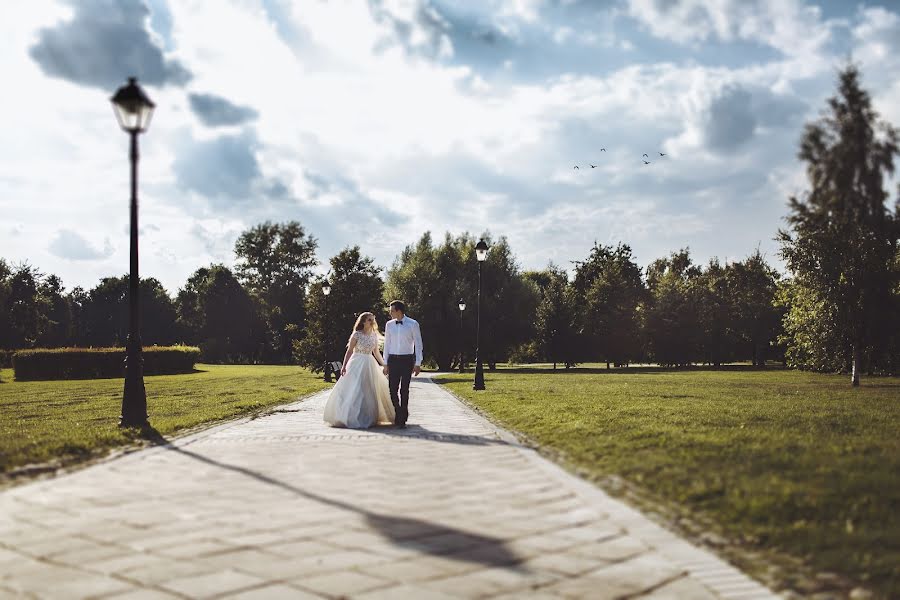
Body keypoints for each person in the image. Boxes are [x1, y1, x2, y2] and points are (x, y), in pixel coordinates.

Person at [323, 312, 395, 429]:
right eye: (369, 320)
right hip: (356, 363)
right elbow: (350, 351)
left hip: (369, 364)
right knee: (356, 389)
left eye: (373, 320)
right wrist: (344, 365)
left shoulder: (374, 336)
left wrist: (384, 364)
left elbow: (376, 352)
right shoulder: (356, 335)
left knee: (369, 390)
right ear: (363, 322)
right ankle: (350, 417)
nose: (372, 322)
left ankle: (367, 417)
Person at [382, 300, 423, 428]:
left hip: (407, 360)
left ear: (399, 311)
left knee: (404, 389)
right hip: (393, 360)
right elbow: (387, 344)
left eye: (391, 311)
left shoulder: (413, 324)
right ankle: (399, 412)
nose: (390, 313)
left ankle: (402, 418)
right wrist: (385, 363)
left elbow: (418, 344)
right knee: (392, 389)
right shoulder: (389, 325)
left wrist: (418, 363)